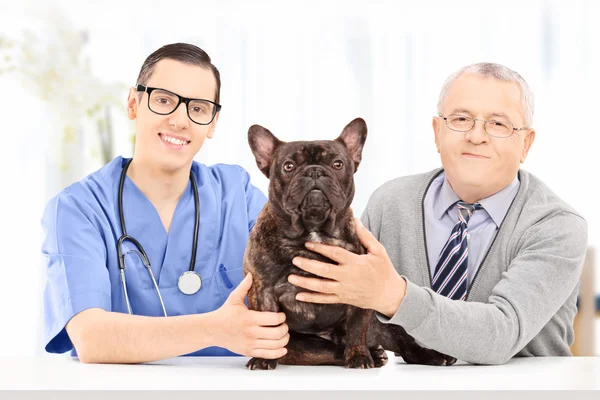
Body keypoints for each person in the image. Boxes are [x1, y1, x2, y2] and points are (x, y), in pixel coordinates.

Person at [287, 63, 588, 365]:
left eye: (498, 124)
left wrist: (395, 296)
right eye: (460, 118)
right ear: (437, 132)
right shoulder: (390, 203)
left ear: (526, 143)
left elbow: (501, 334)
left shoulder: (557, 226)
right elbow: (334, 308)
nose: (476, 135)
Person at [42, 43, 289, 364]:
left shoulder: (236, 194)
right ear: (133, 104)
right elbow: (91, 337)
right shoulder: (79, 208)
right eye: (163, 100)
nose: (179, 120)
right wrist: (214, 329)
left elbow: (301, 271)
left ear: (212, 123)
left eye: (198, 108)